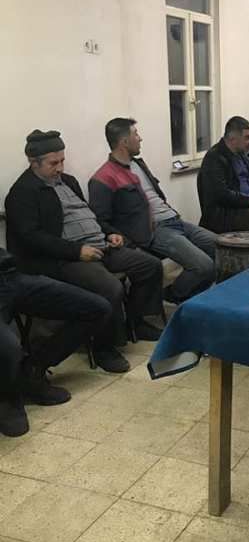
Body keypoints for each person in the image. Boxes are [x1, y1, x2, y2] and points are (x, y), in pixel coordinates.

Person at [6, 130, 164, 373]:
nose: (60, 168)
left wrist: (110, 232)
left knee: (150, 266)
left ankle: (138, 320)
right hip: (65, 258)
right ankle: (104, 348)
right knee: (110, 288)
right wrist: (77, 251)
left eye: (62, 161)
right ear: (33, 162)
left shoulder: (68, 182)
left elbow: (89, 214)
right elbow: (32, 238)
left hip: (100, 246)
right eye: (53, 163)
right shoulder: (22, 193)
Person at [89, 118, 216, 305]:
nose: (140, 138)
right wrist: (122, 238)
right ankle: (173, 295)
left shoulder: (138, 164)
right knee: (203, 266)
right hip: (154, 230)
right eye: (136, 134)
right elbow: (100, 219)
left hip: (174, 220)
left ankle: (194, 298)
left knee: (221, 247)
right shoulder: (104, 177)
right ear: (124, 141)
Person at [0, 247, 112, 437]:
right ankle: (6, 398)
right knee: (10, 348)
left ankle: (33, 370)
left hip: (10, 276)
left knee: (98, 309)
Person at [198, 116, 249, 234]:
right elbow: (221, 194)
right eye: (247, 138)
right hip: (228, 213)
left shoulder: (243, 154)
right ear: (233, 139)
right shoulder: (215, 158)